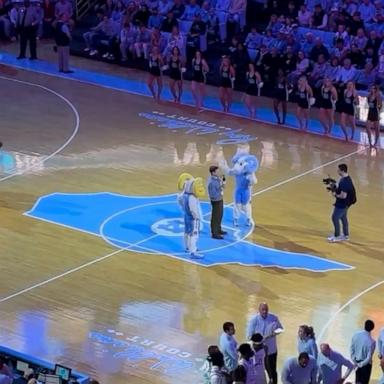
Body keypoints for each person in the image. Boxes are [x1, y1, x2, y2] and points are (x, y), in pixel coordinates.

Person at [247, 303, 283, 384]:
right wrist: (259, 339)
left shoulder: (274, 318)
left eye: (266, 309)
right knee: (259, 371)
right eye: (263, 309)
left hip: (271, 350)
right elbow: (249, 336)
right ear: (259, 310)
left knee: (272, 370)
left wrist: (274, 333)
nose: (265, 311)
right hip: (258, 351)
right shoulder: (254, 320)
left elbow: (281, 329)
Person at [177, 175, 205, 259]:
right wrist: (197, 217)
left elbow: (180, 202)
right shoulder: (192, 197)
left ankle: (187, 247)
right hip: (192, 218)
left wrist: (185, 210)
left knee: (187, 232)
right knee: (194, 234)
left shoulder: (183, 195)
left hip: (186, 215)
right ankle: (193, 252)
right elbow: (193, 209)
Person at [328, 163, 356, 243]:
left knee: (335, 218)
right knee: (343, 217)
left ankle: (337, 236)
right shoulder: (345, 178)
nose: (337, 171)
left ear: (342, 170)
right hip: (347, 203)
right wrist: (334, 186)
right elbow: (341, 190)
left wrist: (335, 194)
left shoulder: (344, 182)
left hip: (342, 204)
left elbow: (343, 196)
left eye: (338, 170)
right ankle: (346, 235)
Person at [350, 320, 376, 384]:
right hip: (366, 366)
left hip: (356, 361)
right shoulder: (372, 342)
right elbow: (369, 357)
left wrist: (354, 360)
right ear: (372, 328)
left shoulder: (355, 335)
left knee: (357, 380)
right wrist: (360, 365)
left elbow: (351, 348)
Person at [207, 165, 226, 240]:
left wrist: (223, 183)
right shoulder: (211, 182)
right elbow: (212, 194)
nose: (219, 172)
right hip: (216, 201)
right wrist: (220, 192)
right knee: (215, 217)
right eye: (217, 171)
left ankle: (218, 229)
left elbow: (220, 186)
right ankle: (214, 233)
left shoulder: (217, 178)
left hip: (220, 199)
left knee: (220, 215)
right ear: (213, 172)